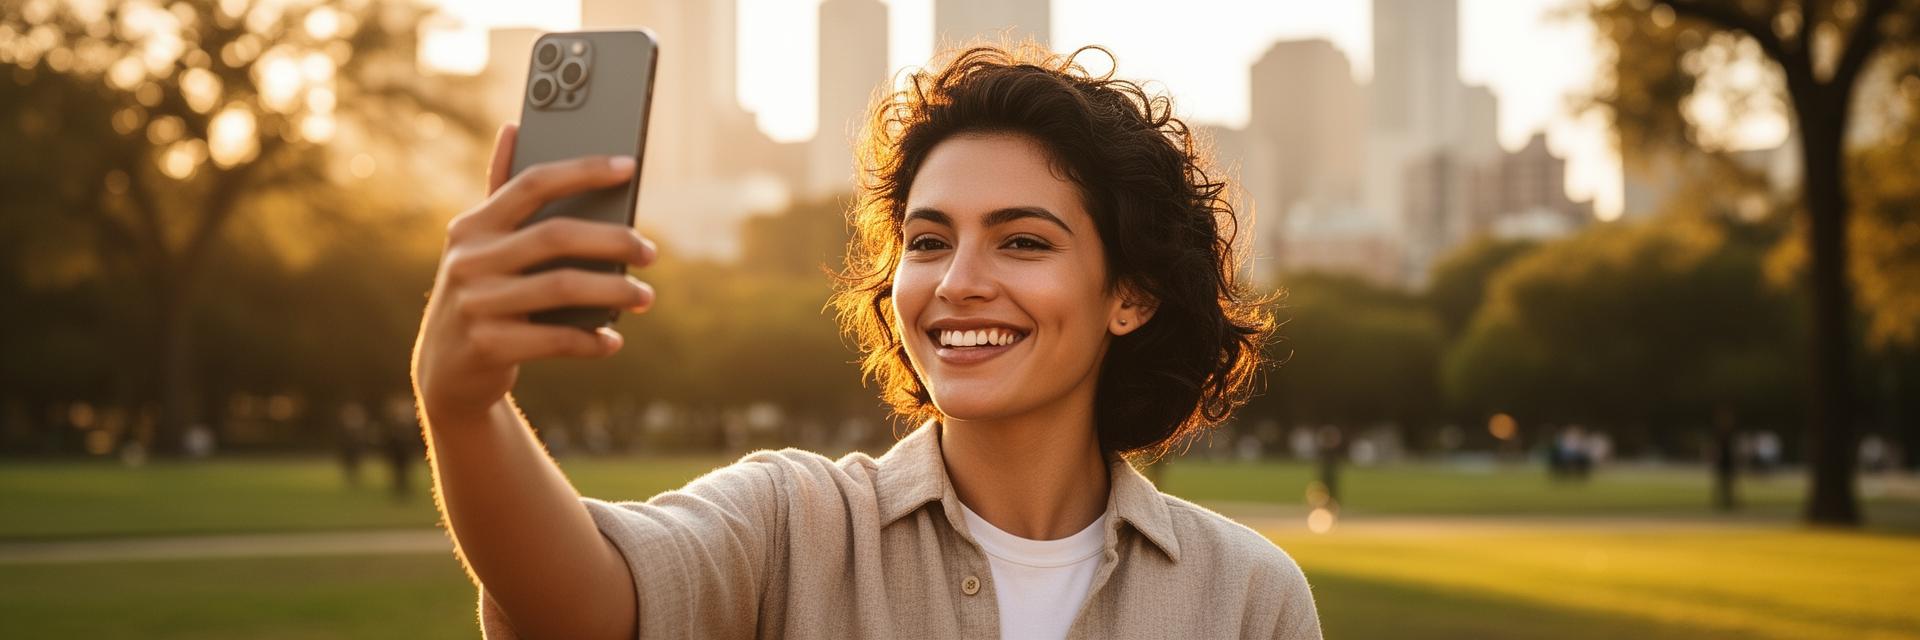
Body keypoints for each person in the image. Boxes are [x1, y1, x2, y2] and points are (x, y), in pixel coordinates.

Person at [410, 43, 1321, 640]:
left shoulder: (1246, 597)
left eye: (1023, 241)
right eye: (929, 241)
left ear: (1131, 294)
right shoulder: (791, 524)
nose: (958, 280)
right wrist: (463, 408)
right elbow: (579, 604)